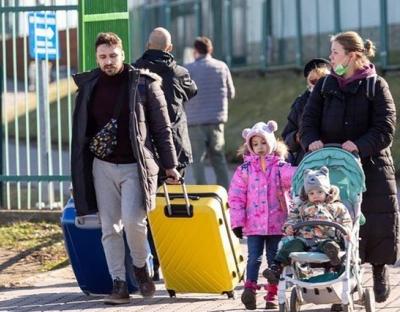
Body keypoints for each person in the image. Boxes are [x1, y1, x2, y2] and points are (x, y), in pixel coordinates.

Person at [71, 32, 181, 305]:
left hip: (136, 165)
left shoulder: (143, 84)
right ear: (97, 58)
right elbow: (80, 137)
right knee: (109, 227)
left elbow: (162, 129)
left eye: (113, 56)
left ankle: (141, 267)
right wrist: (79, 176)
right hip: (102, 167)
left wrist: (170, 166)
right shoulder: (88, 86)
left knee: (133, 221)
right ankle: (119, 283)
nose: (108, 62)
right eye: (102, 57)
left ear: (123, 54)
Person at [300, 31, 399, 303]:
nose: (330, 58)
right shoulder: (324, 86)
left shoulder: (375, 86)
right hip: (332, 166)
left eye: (335, 53)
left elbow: (385, 128)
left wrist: (359, 145)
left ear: (353, 55)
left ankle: (379, 272)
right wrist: (311, 141)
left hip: (372, 164)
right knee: (334, 221)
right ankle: (339, 279)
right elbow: (307, 121)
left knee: (377, 220)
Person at [134, 27, 198, 281]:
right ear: (169, 48)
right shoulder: (179, 73)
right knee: (173, 206)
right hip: (176, 149)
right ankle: (174, 261)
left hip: (146, 150)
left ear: (148, 44)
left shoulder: (134, 72)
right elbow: (192, 92)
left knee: (148, 207)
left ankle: (152, 262)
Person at [228, 121, 295, 310]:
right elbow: (236, 197)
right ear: (250, 147)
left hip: (277, 222)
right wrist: (237, 223)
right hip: (254, 224)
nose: (260, 148)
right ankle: (249, 288)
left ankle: (272, 295)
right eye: (255, 144)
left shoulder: (280, 167)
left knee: (274, 259)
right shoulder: (244, 171)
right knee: (254, 257)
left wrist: (309, 172)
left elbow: (295, 176)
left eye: (263, 143)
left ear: (272, 143)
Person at [263, 166, 353, 285]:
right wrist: (289, 227)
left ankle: (333, 255)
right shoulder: (302, 207)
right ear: (307, 194)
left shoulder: (336, 206)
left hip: (326, 238)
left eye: (320, 192)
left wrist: (346, 231)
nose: (315, 195)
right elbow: (292, 219)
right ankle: (276, 267)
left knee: (330, 245)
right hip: (304, 240)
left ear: (327, 192)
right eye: (311, 193)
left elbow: (345, 221)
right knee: (290, 245)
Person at [185, 36, 235, 189]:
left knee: (198, 159)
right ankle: (225, 191)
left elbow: (182, 94)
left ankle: (201, 191)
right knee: (218, 157)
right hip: (216, 120)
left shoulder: (189, 69)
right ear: (210, 50)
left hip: (194, 121)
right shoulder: (222, 67)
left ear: (195, 51)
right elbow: (231, 93)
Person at [281, 58, 331, 165]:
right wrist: (296, 138)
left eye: (323, 80)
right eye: (314, 81)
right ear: (308, 83)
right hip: (307, 161)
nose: (318, 85)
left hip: (334, 157)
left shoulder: (338, 98)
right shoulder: (301, 103)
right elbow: (286, 139)